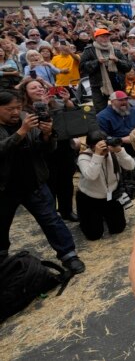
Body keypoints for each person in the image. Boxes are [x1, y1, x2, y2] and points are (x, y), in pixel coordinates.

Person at [0, 90, 85, 274]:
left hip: (33, 183)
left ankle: (69, 255)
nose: (15, 112)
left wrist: (47, 135)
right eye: (9, 109)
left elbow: (43, 150)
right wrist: (22, 132)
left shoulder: (26, 118)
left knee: (51, 221)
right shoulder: (23, 124)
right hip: (4, 189)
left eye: (18, 108)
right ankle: (2, 260)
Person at [19, 77, 79, 222]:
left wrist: (66, 101)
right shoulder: (23, 110)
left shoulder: (55, 102)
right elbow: (37, 128)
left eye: (40, 87)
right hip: (44, 151)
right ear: (26, 93)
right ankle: (52, 215)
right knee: (50, 184)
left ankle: (67, 211)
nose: (39, 89)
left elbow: (73, 117)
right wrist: (42, 107)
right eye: (33, 88)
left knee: (66, 183)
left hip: (64, 148)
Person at [75, 130, 135, 240]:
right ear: (91, 146)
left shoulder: (112, 152)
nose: (103, 148)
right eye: (98, 146)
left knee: (118, 229)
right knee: (94, 235)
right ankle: (88, 220)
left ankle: (102, 218)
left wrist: (119, 151)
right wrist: (97, 155)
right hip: (90, 198)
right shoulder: (84, 157)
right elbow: (91, 176)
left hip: (111, 195)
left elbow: (131, 166)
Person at [79, 28, 132, 112]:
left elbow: (128, 66)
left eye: (107, 37)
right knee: (100, 111)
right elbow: (82, 68)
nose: (105, 39)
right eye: (102, 37)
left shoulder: (116, 50)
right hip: (99, 87)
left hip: (117, 85)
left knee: (122, 109)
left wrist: (117, 61)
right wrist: (97, 62)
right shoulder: (89, 50)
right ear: (96, 38)